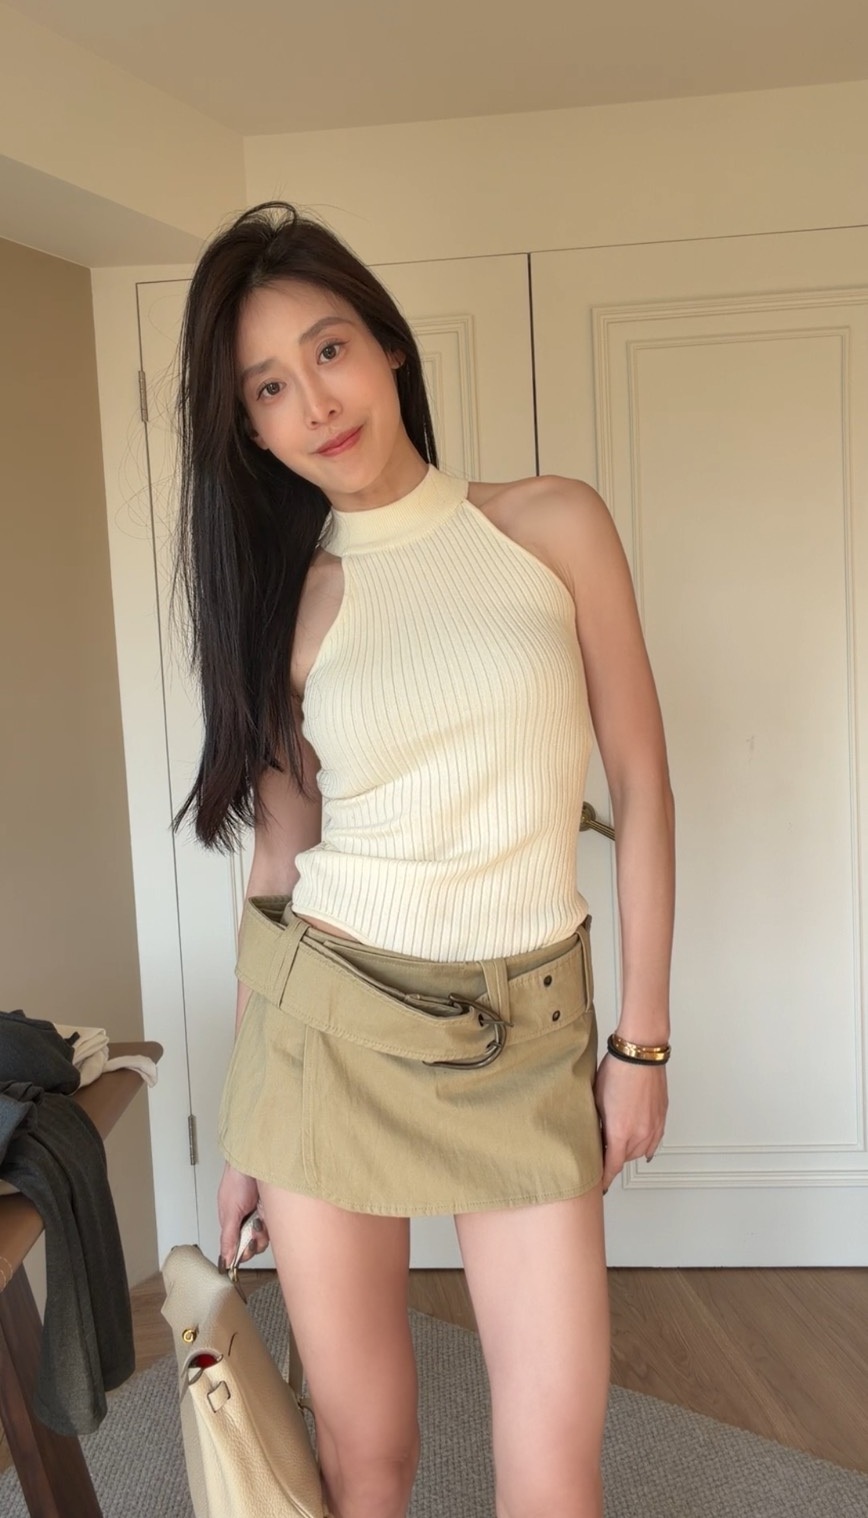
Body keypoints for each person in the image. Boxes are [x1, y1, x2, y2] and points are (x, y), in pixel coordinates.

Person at [173, 201, 674, 1518]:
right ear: (251, 430)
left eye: (329, 350)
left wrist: (641, 1040)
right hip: (326, 1044)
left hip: (528, 1036)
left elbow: (643, 782)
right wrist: (245, 1123)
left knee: (556, 1466)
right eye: (268, 387)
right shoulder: (289, 602)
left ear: (389, 345)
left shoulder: (551, 524)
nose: (314, 403)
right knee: (367, 1460)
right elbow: (281, 864)